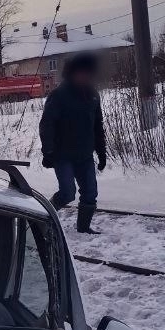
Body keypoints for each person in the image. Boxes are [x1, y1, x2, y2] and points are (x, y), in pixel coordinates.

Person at [39, 52, 107, 234]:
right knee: (68, 193)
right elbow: (47, 124)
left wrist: (102, 153)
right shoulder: (59, 95)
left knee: (90, 193)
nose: (85, 77)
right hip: (63, 155)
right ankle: (42, 218)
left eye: (88, 73)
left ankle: (83, 229)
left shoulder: (92, 95)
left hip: (85, 155)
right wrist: (49, 152)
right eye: (81, 73)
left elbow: (97, 127)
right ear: (72, 73)